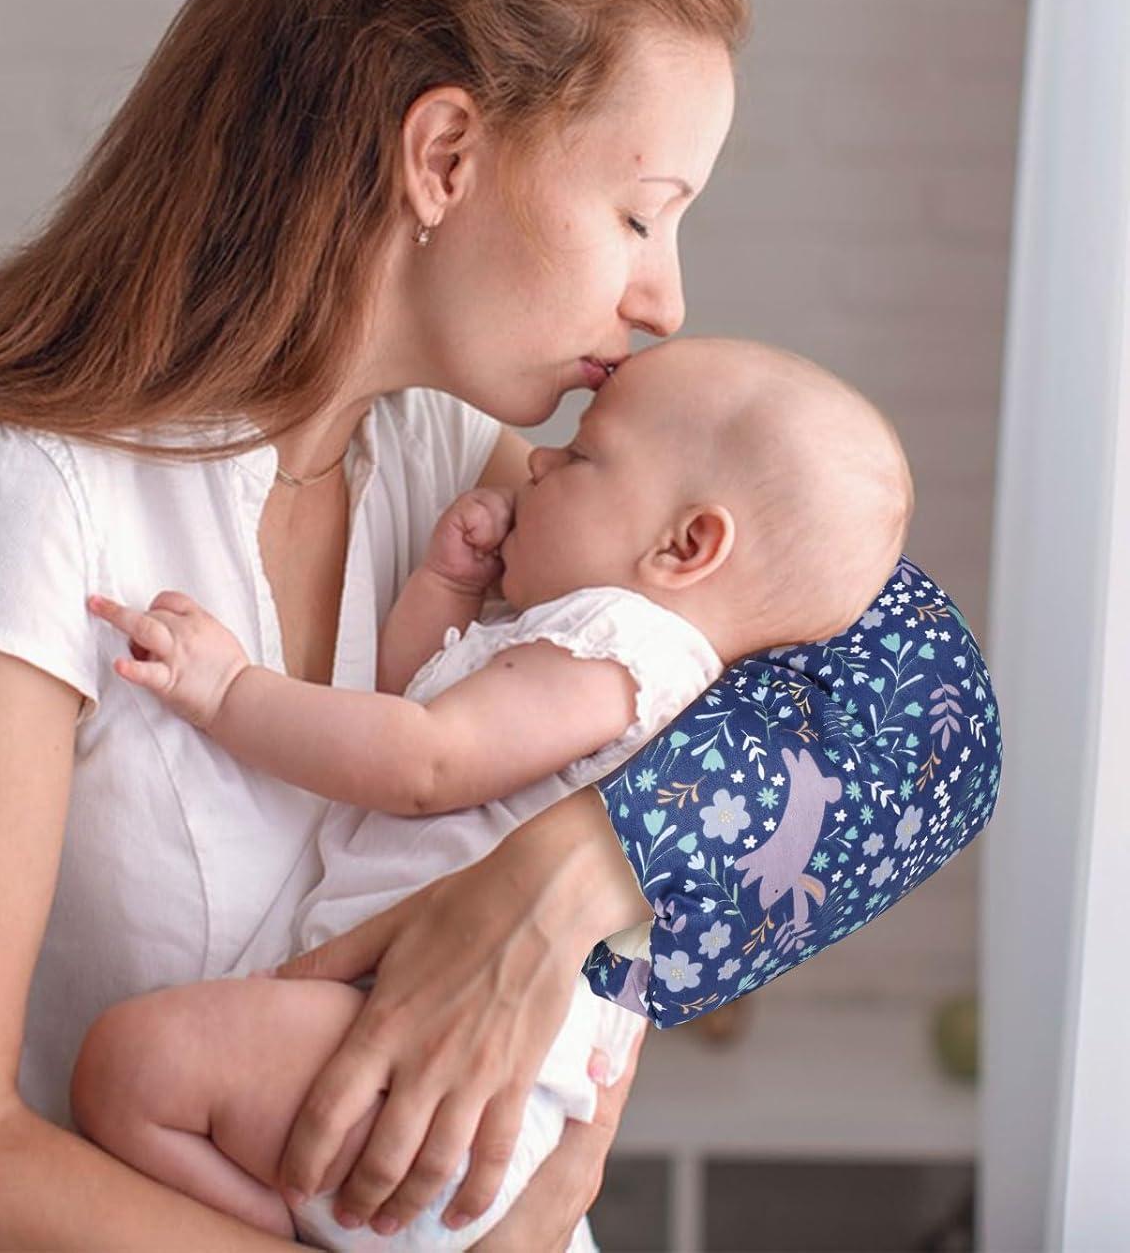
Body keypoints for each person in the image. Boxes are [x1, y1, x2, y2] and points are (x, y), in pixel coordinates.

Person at [0, 0, 996, 1249]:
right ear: (443, 155)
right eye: (639, 214)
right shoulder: (27, 498)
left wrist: (584, 870)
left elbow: (936, 727)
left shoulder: (469, 479)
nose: (667, 300)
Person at [66, 336, 913, 1248]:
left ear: (685, 545)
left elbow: (424, 763)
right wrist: (449, 589)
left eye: (583, 455)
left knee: (134, 1070)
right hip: (435, 1078)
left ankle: (277, 1225)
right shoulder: (583, 646)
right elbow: (417, 705)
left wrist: (231, 694)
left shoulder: (623, 646)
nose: (539, 461)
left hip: (428, 1074)